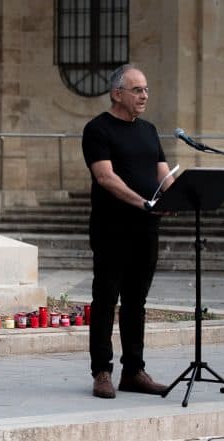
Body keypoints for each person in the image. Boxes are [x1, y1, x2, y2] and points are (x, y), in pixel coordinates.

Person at [82, 64, 175, 399]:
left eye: (146, 89)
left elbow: (163, 173)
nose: (144, 96)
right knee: (106, 300)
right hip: (112, 229)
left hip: (146, 230)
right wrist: (143, 203)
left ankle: (133, 371)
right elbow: (105, 177)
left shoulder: (149, 130)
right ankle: (102, 372)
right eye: (137, 90)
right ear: (117, 93)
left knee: (137, 301)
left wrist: (176, 194)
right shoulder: (98, 129)